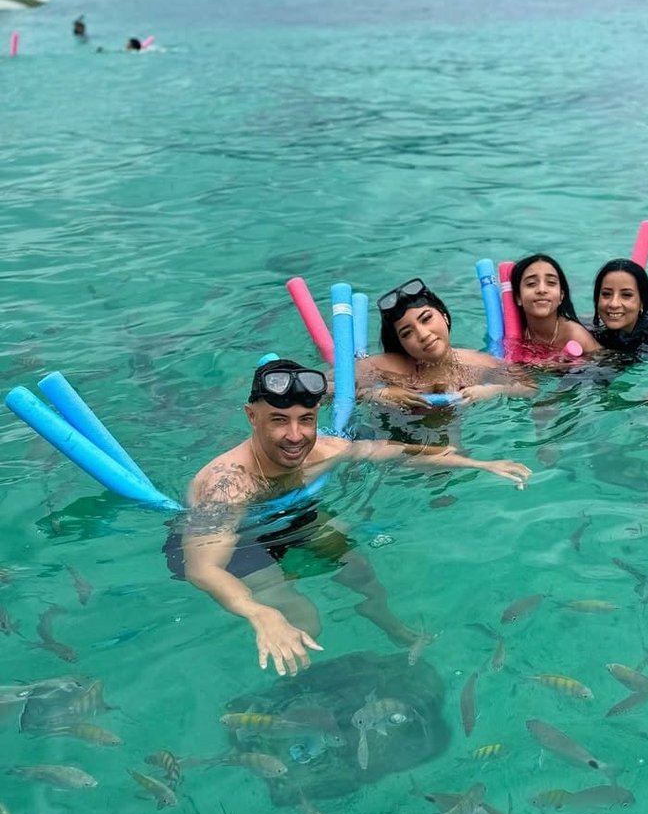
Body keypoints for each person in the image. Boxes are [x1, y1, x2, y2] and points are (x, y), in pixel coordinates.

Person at [171, 359, 531, 676]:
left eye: (306, 420)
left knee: (358, 570)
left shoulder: (323, 451)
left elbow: (398, 453)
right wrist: (259, 614)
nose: (295, 436)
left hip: (290, 510)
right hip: (238, 539)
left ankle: (379, 614)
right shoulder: (226, 487)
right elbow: (202, 568)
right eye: (279, 421)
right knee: (304, 620)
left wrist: (478, 463)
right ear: (251, 416)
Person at [356, 278, 536, 410]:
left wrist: (493, 390)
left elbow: (530, 387)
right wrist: (376, 394)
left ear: (444, 316)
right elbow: (331, 386)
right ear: (401, 343)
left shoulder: (477, 363)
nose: (423, 334)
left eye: (426, 319)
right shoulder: (389, 367)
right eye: (407, 333)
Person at [510, 255, 601, 355]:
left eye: (551, 282)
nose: (542, 290)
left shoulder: (577, 336)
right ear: (518, 297)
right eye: (531, 283)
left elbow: (604, 365)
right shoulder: (513, 333)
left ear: (561, 296)